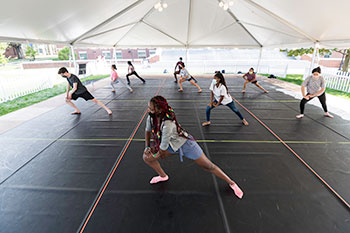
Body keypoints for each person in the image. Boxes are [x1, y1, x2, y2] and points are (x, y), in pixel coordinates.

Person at [143, 96, 244, 199]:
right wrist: (147, 148)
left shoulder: (167, 124)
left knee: (208, 166)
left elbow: (162, 151)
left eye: (151, 108)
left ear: (159, 110)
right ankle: (163, 176)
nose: (149, 110)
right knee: (146, 157)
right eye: (149, 107)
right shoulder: (151, 117)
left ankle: (232, 183)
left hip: (185, 144)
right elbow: (147, 131)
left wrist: (155, 155)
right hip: (171, 145)